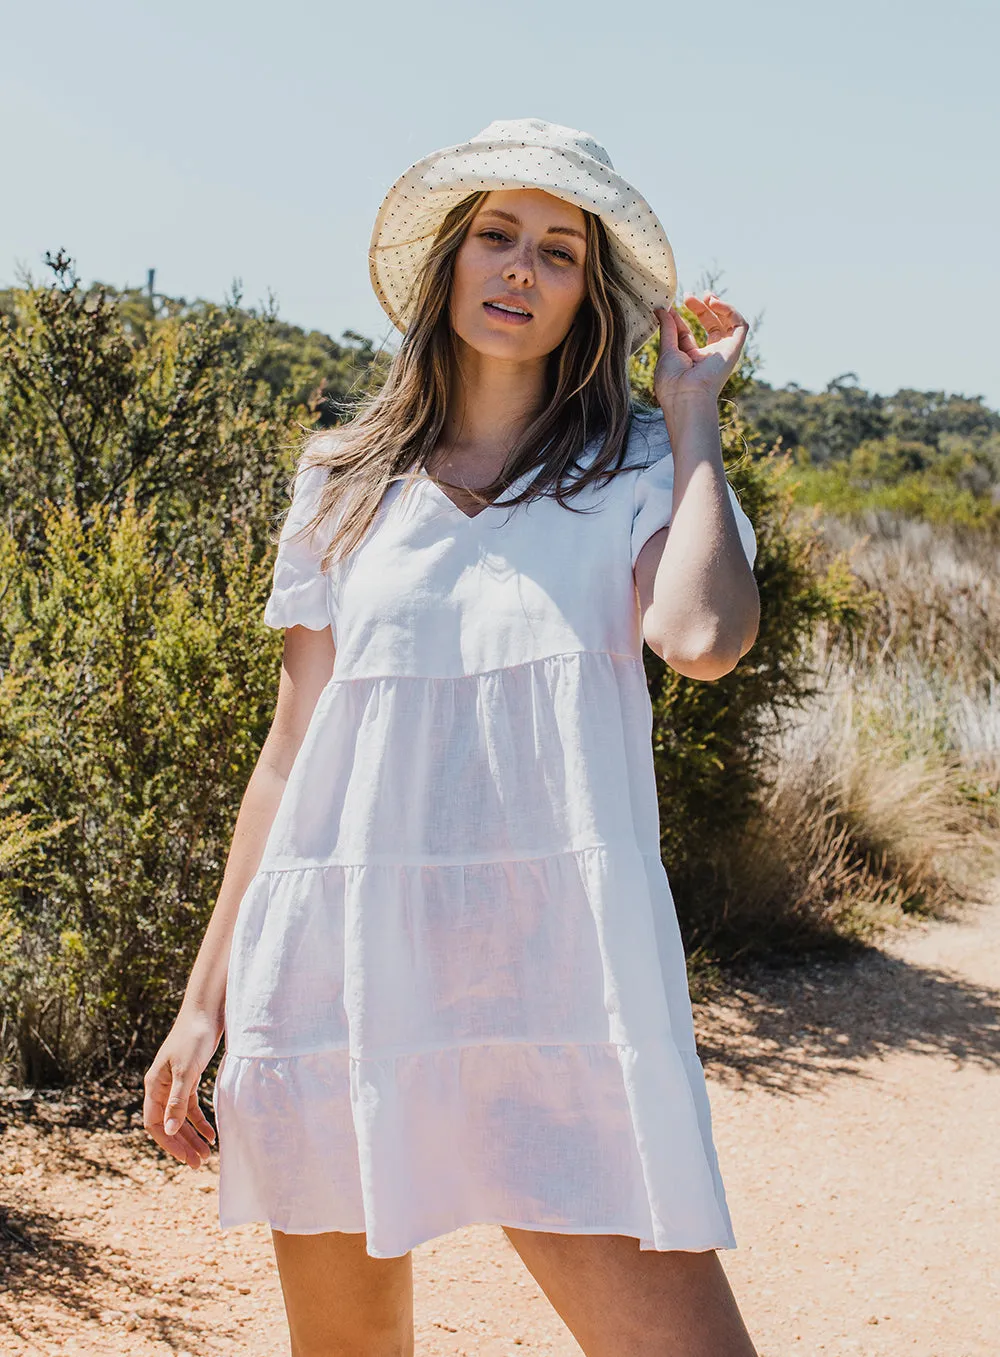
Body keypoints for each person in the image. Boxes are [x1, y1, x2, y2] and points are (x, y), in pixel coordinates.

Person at [143, 117, 761, 1356]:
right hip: (341, 968)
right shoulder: (343, 478)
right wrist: (206, 999)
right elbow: (291, 751)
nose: (519, 269)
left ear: (590, 295)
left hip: (558, 983)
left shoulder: (635, 466)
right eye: (495, 236)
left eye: (557, 250)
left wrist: (690, 414)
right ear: (450, 261)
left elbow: (699, 635)